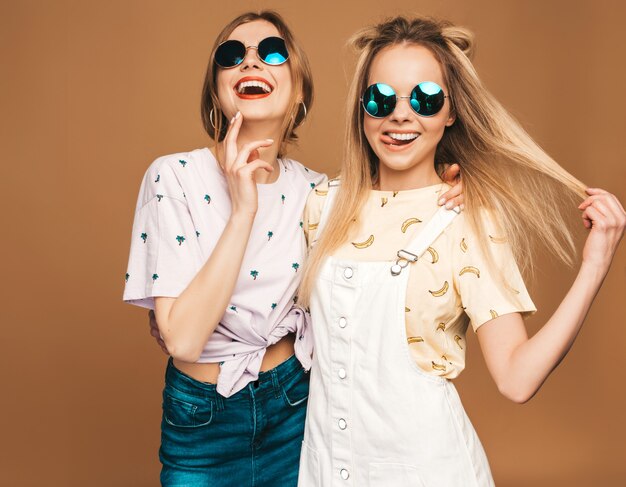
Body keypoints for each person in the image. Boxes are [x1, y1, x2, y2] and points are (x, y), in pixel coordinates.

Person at [124, 9, 465, 486]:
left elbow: (402, 205)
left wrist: (451, 188)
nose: (250, 63)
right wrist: (243, 211)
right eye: (231, 56)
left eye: (272, 53)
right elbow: (182, 339)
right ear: (216, 91)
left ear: (299, 91)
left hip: (296, 405)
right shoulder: (173, 178)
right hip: (202, 421)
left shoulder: (320, 195)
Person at [297, 15, 625, 486]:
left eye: (426, 99)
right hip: (325, 471)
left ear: (450, 112)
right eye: (381, 98)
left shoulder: (467, 219)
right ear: (361, 107)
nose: (400, 116)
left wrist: (596, 263)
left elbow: (517, 378)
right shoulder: (321, 206)